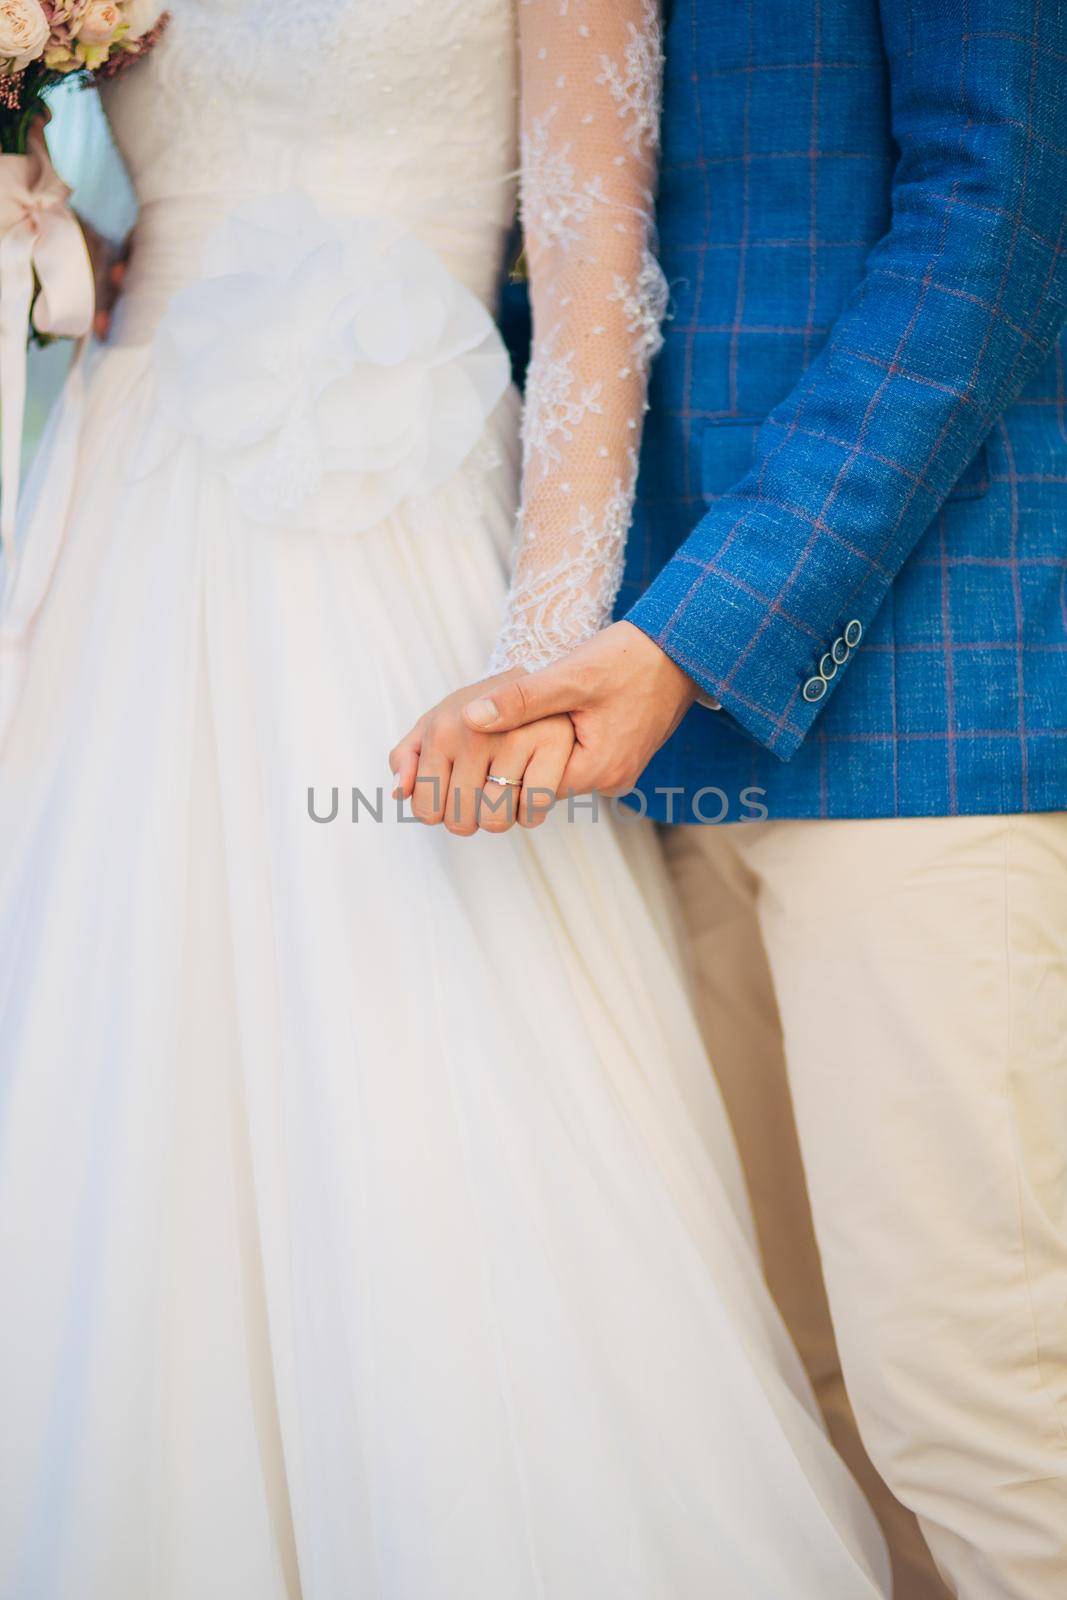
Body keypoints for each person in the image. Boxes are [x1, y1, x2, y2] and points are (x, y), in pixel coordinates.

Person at [0, 2, 891, 1595]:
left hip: (406, 510)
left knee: (420, 1058)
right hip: (132, 512)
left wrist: (538, 661)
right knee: (116, 1046)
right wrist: (44, 211)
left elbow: (597, 274)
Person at [399, 2, 1067, 1596]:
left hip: (923, 678)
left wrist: (700, 632)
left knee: (975, 1398)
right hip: (634, 727)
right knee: (789, 1401)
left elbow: (999, 213)